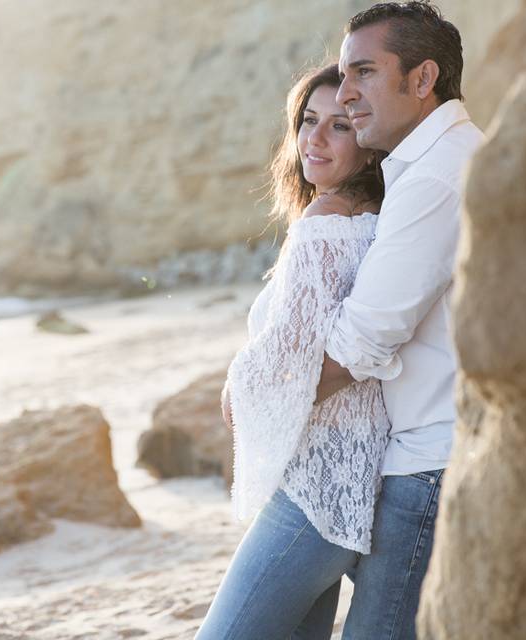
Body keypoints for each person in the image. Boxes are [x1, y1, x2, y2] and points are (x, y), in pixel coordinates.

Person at [303, 3, 487, 638]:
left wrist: (262, 402)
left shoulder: (437, 177)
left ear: (421, 78)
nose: (346, 93)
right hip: (428, 455)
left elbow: (361, 339)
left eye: (364, 73)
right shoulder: (443, 161)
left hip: (429, 463)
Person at [195, 63, 390, 639]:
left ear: (369, 141)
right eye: (308, 121)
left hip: (317, 487)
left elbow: (290, 363)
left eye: (340, 125)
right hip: (354, 474)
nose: (316, 139)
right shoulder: (372, 219)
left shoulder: (323, 223)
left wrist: (235, 389)